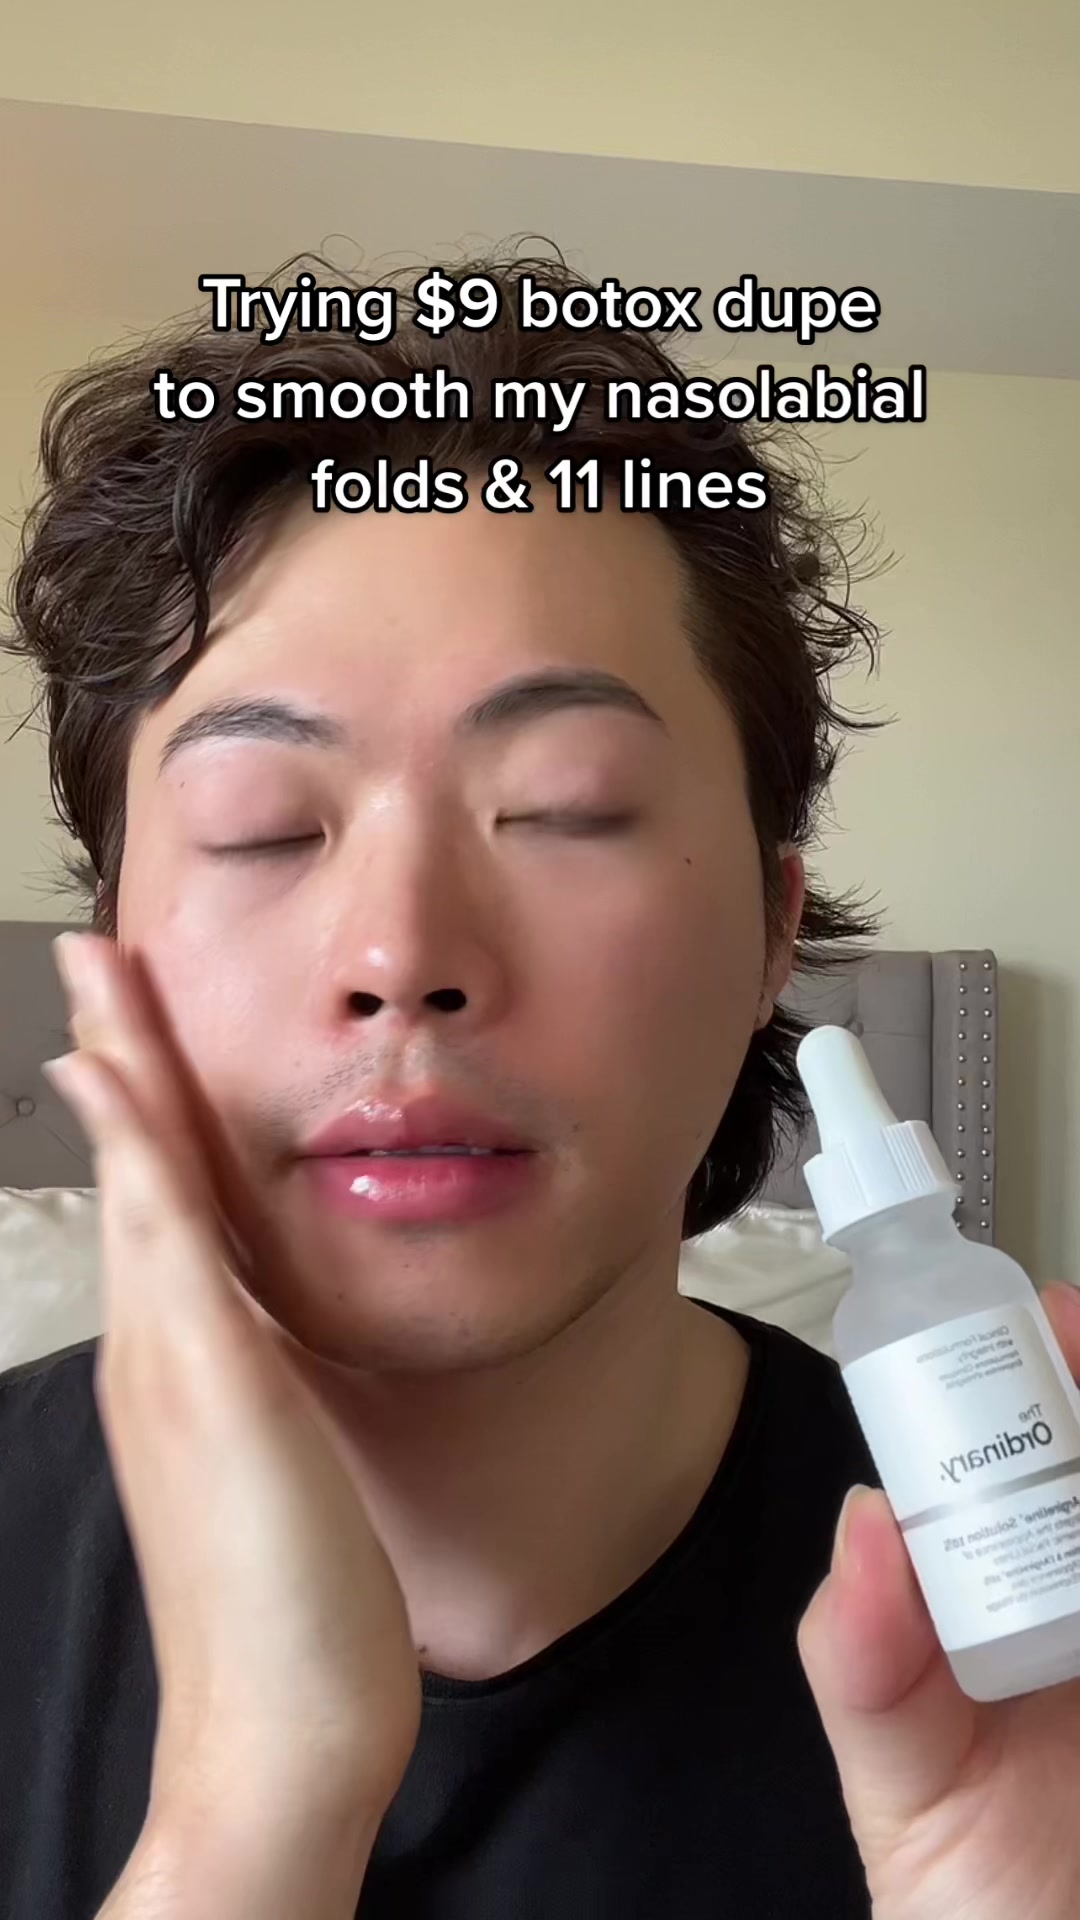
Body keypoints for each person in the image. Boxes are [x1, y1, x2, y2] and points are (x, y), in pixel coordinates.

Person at [2, 242, 1078, 1920]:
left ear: (772, 931)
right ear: (112, 949)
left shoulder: (1012, 1633)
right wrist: (254, 1802)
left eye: (567, 805)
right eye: (262, 828)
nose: (402, 951)